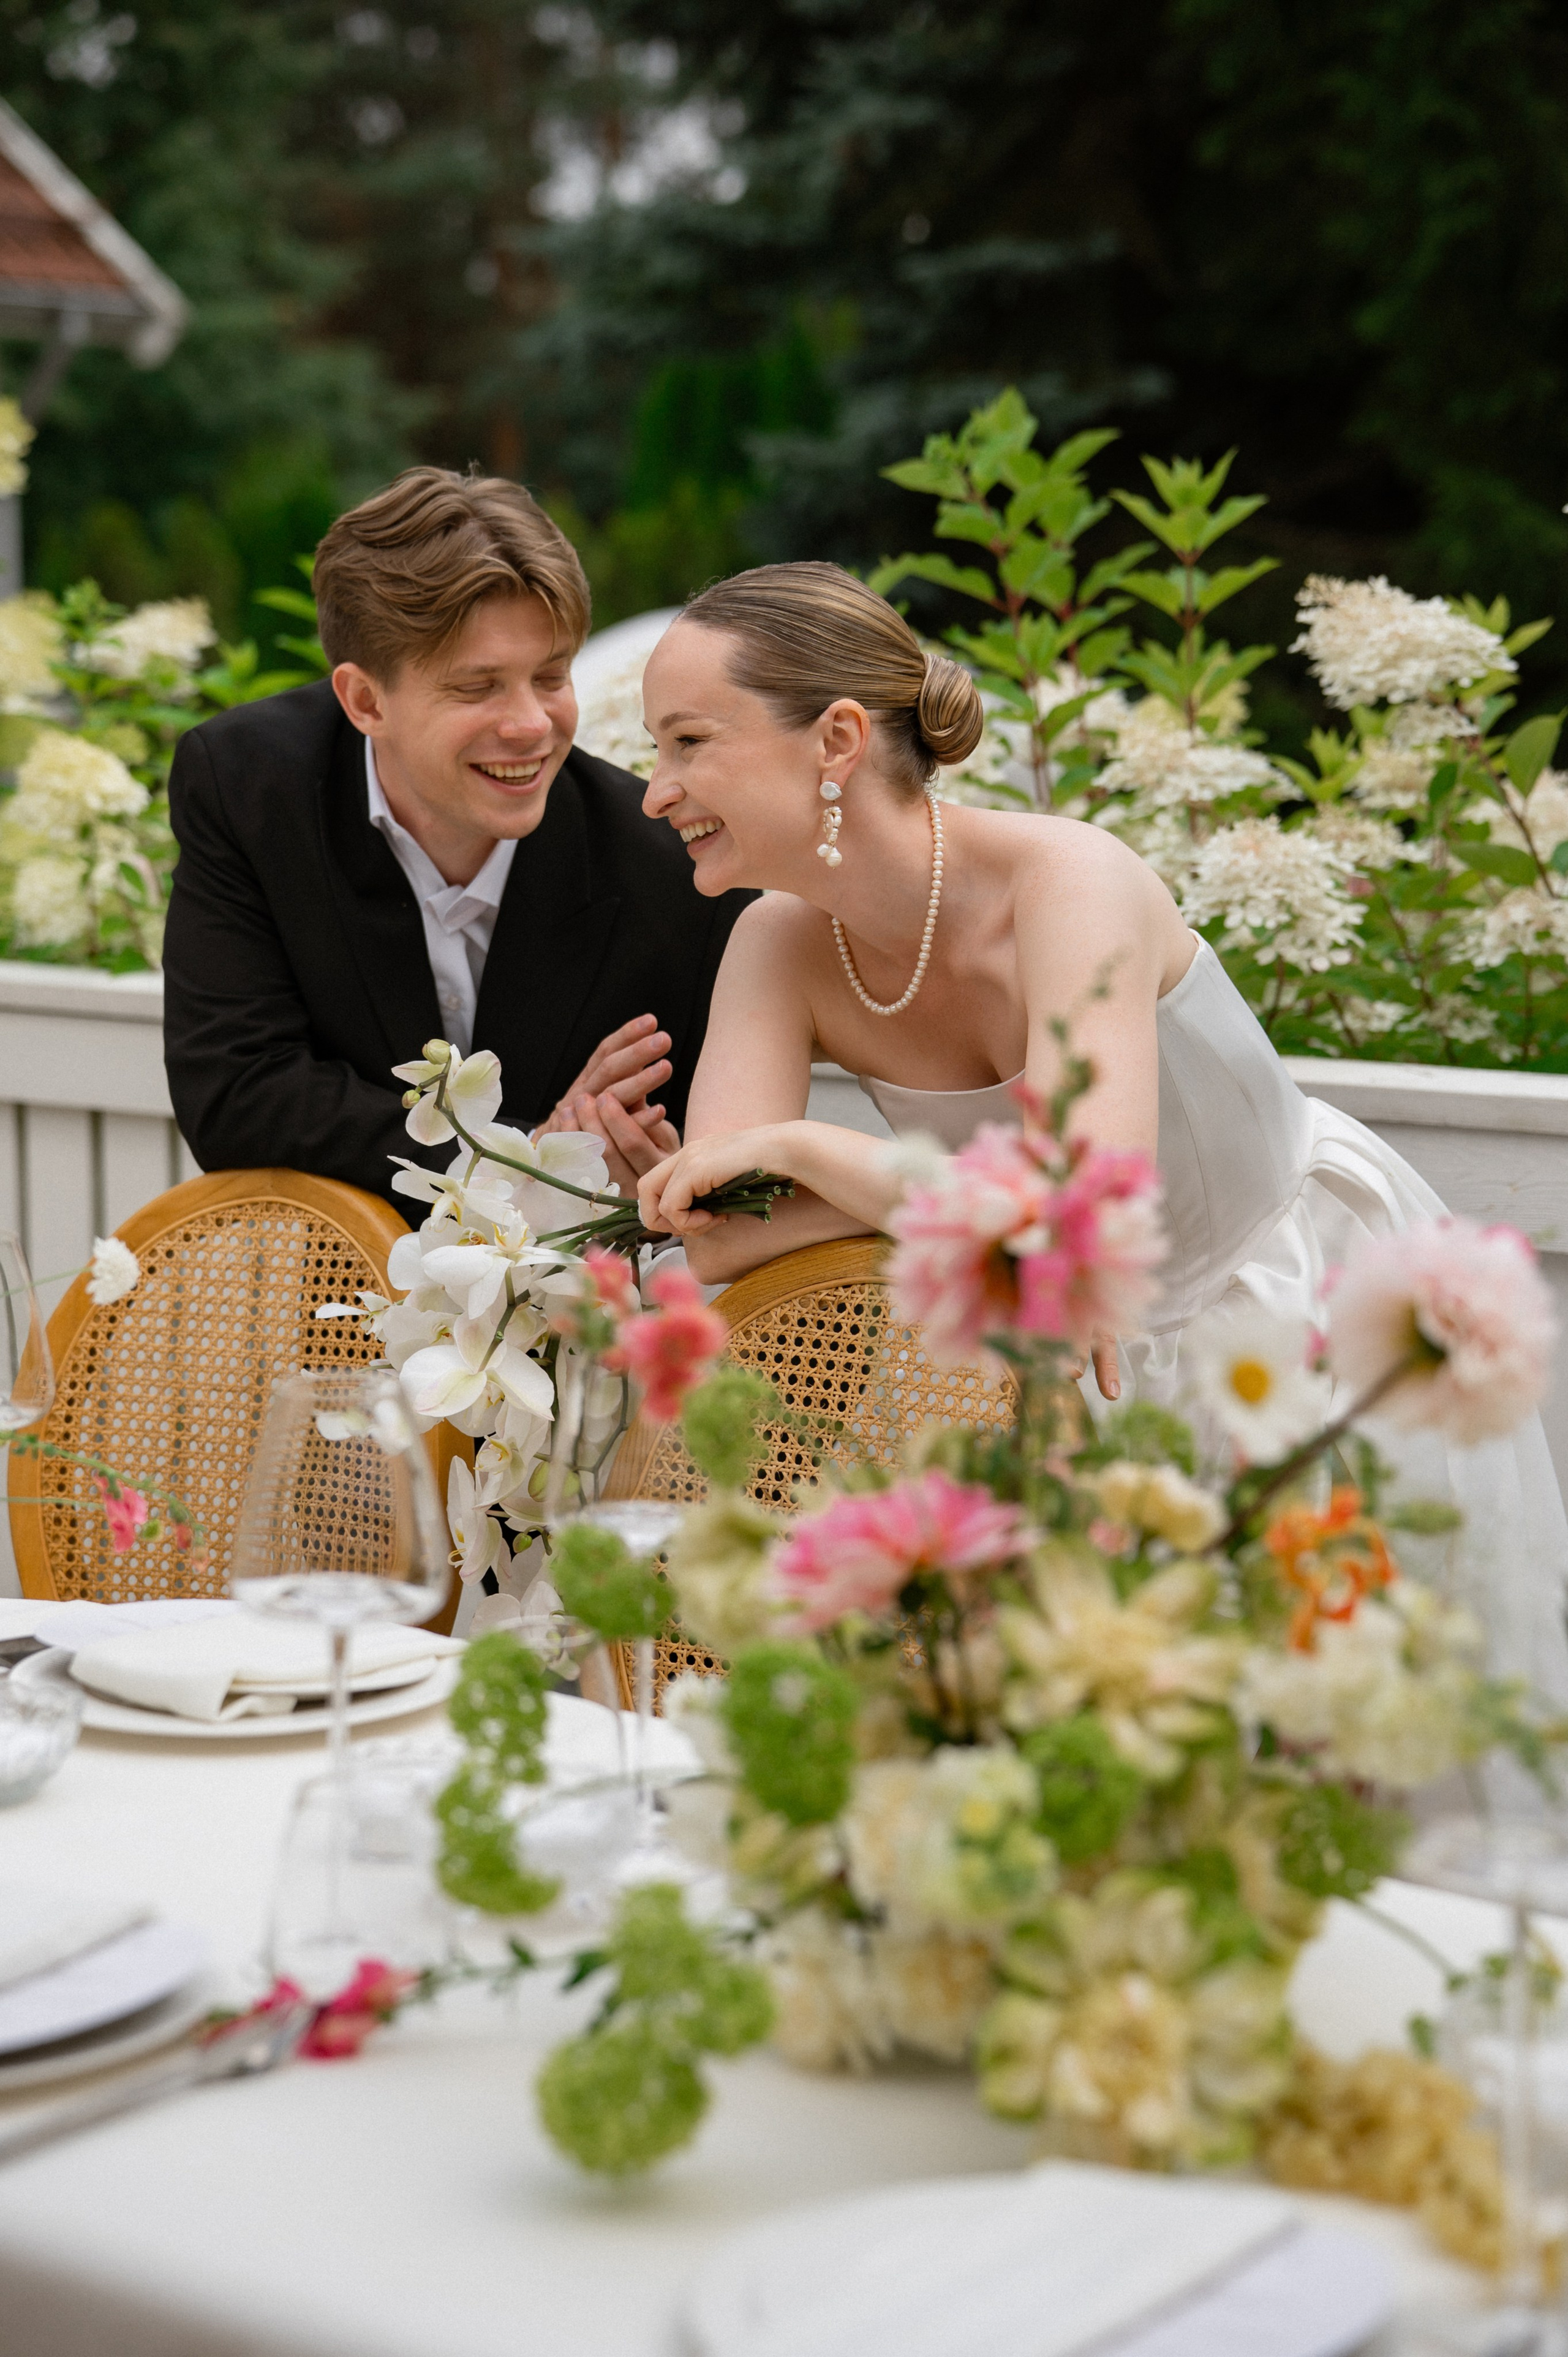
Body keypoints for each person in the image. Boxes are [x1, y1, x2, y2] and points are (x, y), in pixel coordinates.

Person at [630, 560, 1568, 1693]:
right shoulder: (777, 943)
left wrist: (806, 1150)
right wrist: (980, 1201)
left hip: (1291, 1315)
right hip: (1053, 1365)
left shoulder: (1069, 880)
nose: (654, 790)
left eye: (687, 742)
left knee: (1357, 1723)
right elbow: (721, 1230)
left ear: (835, 739)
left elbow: (1084, 1211)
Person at [162, 467, 754, 1204]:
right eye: (479, 687)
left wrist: (659, 1166)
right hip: (328, 1301)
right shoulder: (247, 785)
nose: (532, 725)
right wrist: (525, 1160)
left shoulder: (675, 869)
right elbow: (236, 1097)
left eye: (551, 675)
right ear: (364, 698)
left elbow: (710, 1163)